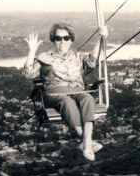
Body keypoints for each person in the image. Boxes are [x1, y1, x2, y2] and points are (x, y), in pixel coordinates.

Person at [23, 22, 108, 161]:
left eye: (66, 38)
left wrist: (101, 38)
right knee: (66, 101)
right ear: (53, 40)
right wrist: (32, 51)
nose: (62, 42)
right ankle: (87, 144)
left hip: (76, 89)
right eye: (58, 38)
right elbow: (28, 74)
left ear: (71, 40)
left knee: (87, 98)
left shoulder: (77, 57)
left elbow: (94, 60)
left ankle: (86, 143)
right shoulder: (44, 58)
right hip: (54, 93)